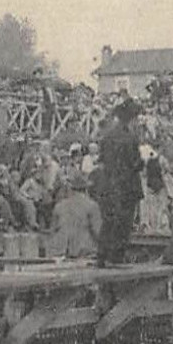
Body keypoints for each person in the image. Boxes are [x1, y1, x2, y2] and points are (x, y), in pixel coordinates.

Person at [91, 99, 145, 266]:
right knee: (124, 223)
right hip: (126, 186)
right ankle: (116, 257)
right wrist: (143, 162)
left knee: (108, 221)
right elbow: (135, 163)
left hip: (108, 184)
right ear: (132, 119)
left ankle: (102, 256)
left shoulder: (107, 136)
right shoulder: (130, 138)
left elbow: (102, 159)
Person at [49, 176, 102, 259]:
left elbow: (52, 231)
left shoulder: (59, 206)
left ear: (71, 189)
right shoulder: (92, 205)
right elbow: (98, 232)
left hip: (61, 252)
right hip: (85, 252)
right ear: (86, 190)